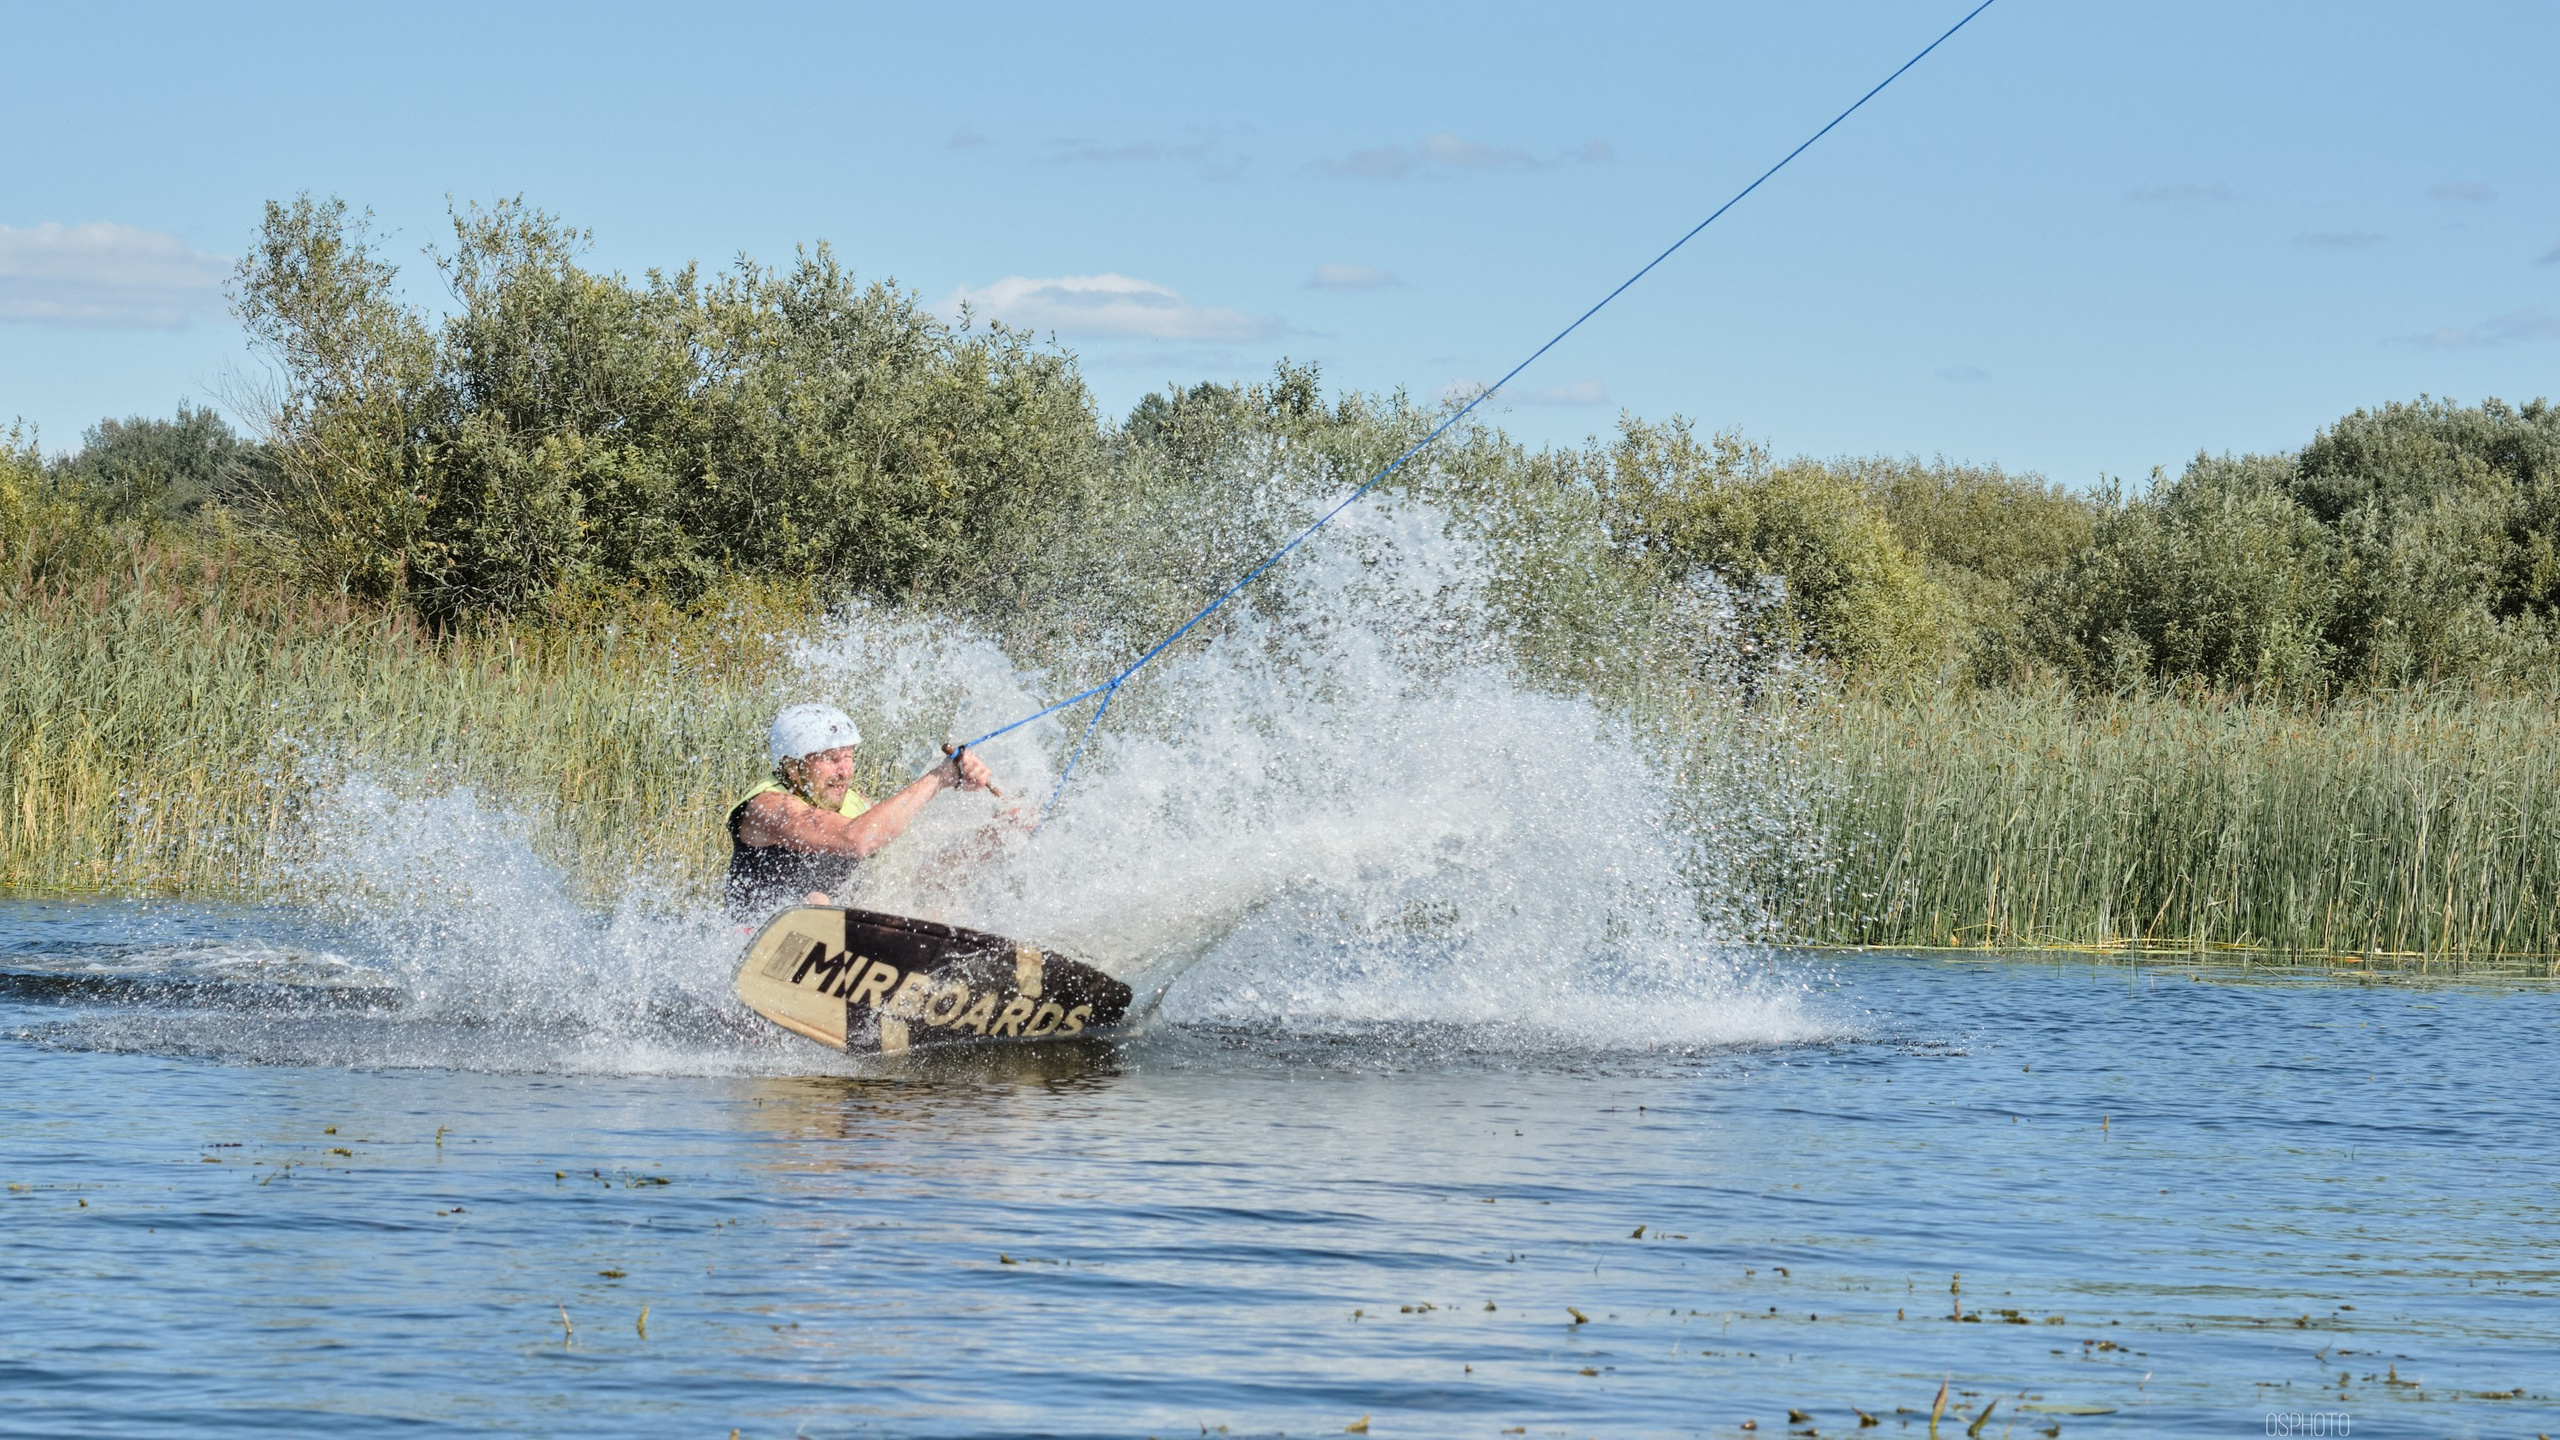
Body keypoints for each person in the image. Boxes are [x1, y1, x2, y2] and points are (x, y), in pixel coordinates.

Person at [725, 703, 998, 918]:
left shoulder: (858, 806)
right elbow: (856, 840)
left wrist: (996, 833)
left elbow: (915, 877)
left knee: (936, 905)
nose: (844, 771)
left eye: (848, 758)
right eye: (831, 759)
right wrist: (940, 776)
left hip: (835, 949)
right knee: (816, 901)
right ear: (792, 767)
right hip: (759, 942)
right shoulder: (768, 806)